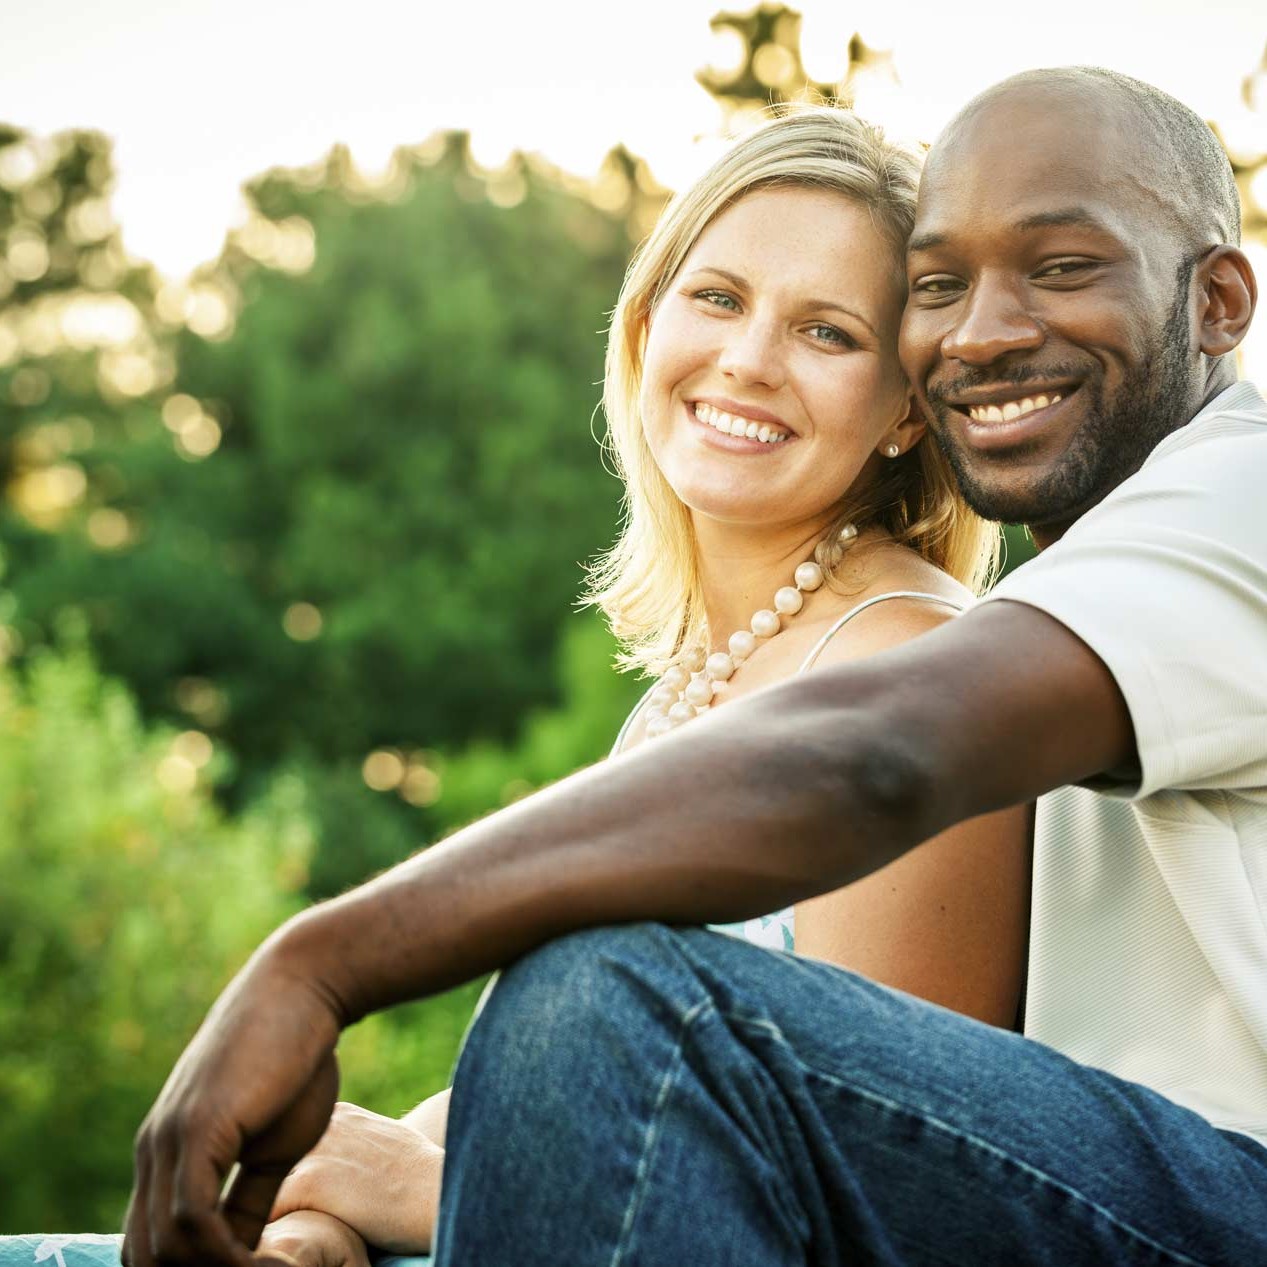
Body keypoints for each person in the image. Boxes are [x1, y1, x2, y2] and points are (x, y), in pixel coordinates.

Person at [122, 64, 1267, 1266]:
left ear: (1218, 301)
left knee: (614, 1000)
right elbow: (453, 1135)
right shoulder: (1057, 596)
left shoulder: (1232, 502)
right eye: (941, 286)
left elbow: (876, 761)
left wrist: (321, 964)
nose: (982, 330)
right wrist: (323, 1218)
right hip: (1120, 1192)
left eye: (1063, 265)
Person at [255, 108, 1030, 1261]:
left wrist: (432, 1192)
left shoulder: (911, 671)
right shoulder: (689, 684)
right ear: (643, 322)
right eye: (716, 297)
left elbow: (885, 1187)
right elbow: (523, 1089)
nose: (748, 360)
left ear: (907, 410)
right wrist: (320, 1205)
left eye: (825, 330)